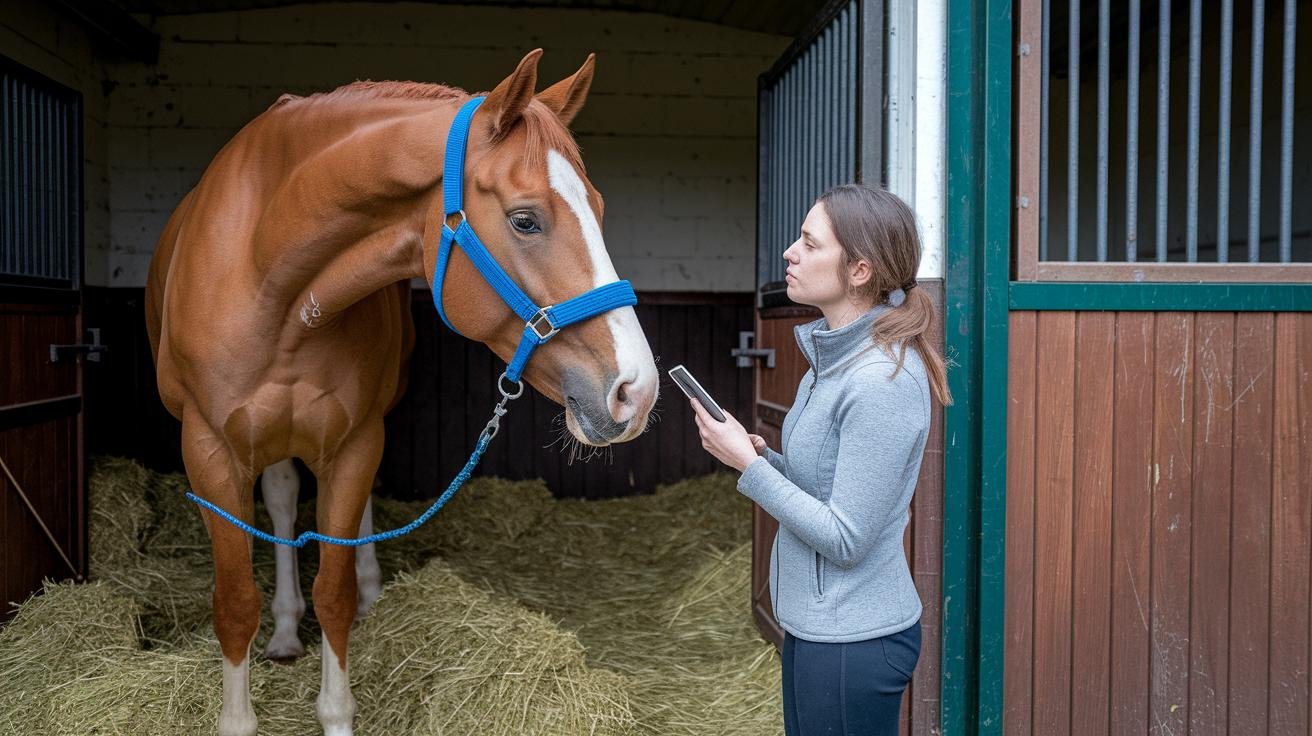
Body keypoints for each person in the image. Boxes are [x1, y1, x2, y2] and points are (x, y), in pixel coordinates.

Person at [689, 183, 952, 735]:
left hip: (854, 642)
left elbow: (846, 538)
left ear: (859, 270)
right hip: (820, 629)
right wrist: (767, 459)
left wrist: (752, 470)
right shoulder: (828, 362)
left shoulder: (881, 381)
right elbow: (827, 487)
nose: (791, 252)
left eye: (810, 243)